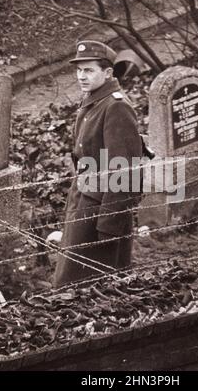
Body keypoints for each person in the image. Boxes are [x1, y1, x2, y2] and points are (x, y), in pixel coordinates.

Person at [53, 40, 142, 288]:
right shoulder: (94, 100)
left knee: (87, 286)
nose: (81, 76)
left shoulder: (116, 107)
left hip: (101, 211)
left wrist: (109, 226)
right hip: (84, 200)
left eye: (89, 70)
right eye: (79, 70)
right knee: (74, 283)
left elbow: (125, 172)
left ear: (108, 72)